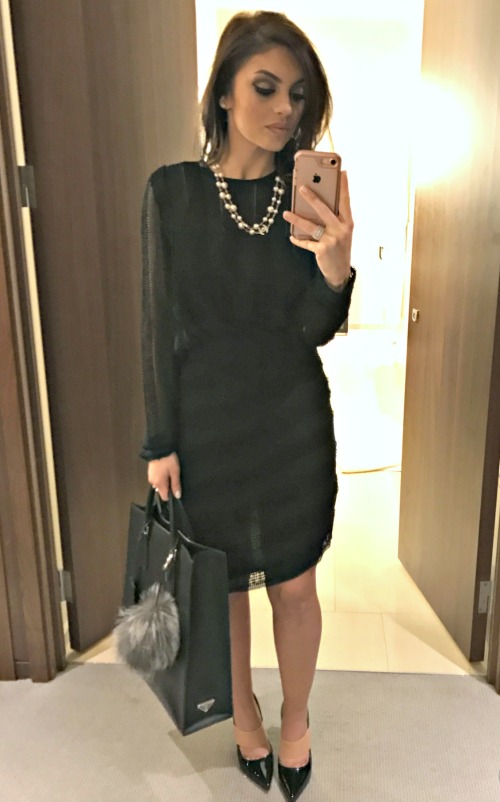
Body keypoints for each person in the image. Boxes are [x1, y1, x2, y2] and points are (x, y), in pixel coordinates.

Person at [140, 10, 355, 800]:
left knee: (294, 585)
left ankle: (296, 719)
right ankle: (245, 715)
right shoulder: (173, 193)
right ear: (225, 93)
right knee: (225, 586)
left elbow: (314, 330)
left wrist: (335, 269)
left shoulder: (305, 198)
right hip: (208, 426)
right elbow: (156, 326)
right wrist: (160, 441)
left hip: (292, 419)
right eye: (265, 87)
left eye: (297, 94)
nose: (284, 108)